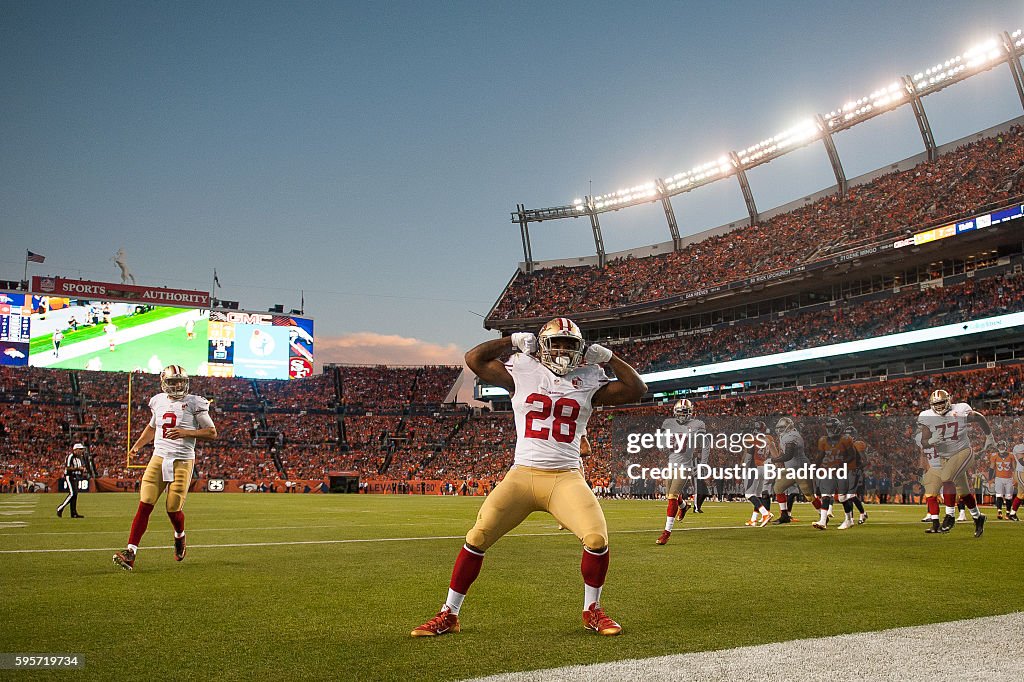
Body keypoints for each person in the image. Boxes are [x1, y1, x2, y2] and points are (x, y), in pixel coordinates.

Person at [411, 317, 646, 637]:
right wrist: (512, 340)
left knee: (596, 539)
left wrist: (610, 359)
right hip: (522, 476)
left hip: (565, 478)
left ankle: (592, 609)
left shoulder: (589, 378)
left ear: (580, 350)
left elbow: (637, 389)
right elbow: (474, 359)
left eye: (569, 345)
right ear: (542, 346)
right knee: (477, 537)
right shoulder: (522, 370)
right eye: (556, 343)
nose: (562, 351)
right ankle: (449, 613)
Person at [113, 365, 217, 570]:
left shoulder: (195, 403)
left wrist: (186, 432)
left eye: (180, 381)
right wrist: (137, 445)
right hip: (158, 458)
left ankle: (180, 536)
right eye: (173, 382)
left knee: (172, 509)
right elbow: (152, 427)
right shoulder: (158, 401)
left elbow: (212, 432)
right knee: (145, 504)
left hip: (182, 460)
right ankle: (130, 553)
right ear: (164, 383)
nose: (177, 385)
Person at [918, 389, 994, 537]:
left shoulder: (960, 409)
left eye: (941, 402)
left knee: (947, 478)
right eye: (936, 403)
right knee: (964, 493)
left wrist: (989, 436)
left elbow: (979, 418)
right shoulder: (926, 416)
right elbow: (924, 441)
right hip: (945, 457)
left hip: (963, 451)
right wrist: (932, 441)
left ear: (948, 400)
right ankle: (978, 517)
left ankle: (950, 516)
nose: (939, 406)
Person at [655, 399, 707, 545]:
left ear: (691, 413)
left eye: (685, 412)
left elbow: (705, 445)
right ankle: (684, 506)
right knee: (670, 496)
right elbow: (664, 445)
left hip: (685, 466)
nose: (682, 415)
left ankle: (666, 533)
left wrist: (702, 462)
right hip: (671, 464)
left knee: (672, 497)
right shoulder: (669, 424)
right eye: (680, 412)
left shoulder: (697, 425)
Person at [56, 443, 88, 518]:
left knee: (75, 494)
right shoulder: (70, 456)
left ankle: (73, 513)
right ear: (75, 450)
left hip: (75, 476)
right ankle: (60, 508)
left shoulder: (79, 458)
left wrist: (82, 470)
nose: (81, 451)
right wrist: (78, 469)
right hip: (69, 476)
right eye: (80, 449)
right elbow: (67, 467)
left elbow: (80, 467)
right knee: (73, 493)